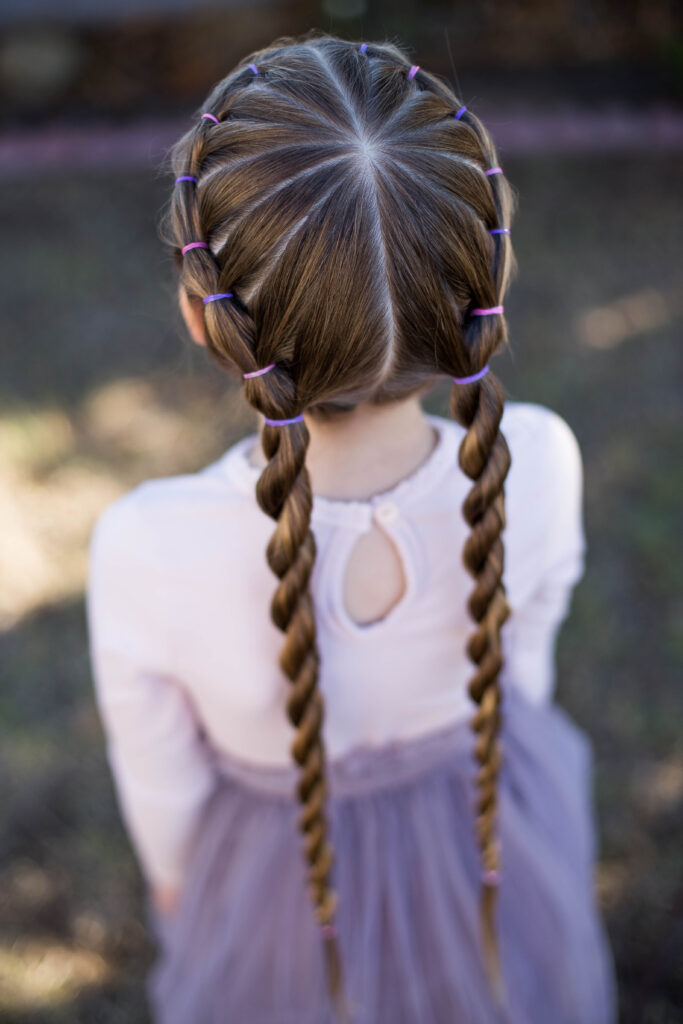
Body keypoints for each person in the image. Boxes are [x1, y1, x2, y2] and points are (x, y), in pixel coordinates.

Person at [85, 31, 618, 1024]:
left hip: (276, 905)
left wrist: (176, 887)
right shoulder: (537, 459)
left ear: (206, 320)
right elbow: (523, 676)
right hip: (492, 838)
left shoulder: (146, 543)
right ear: (481, 290)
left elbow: (159, 782)